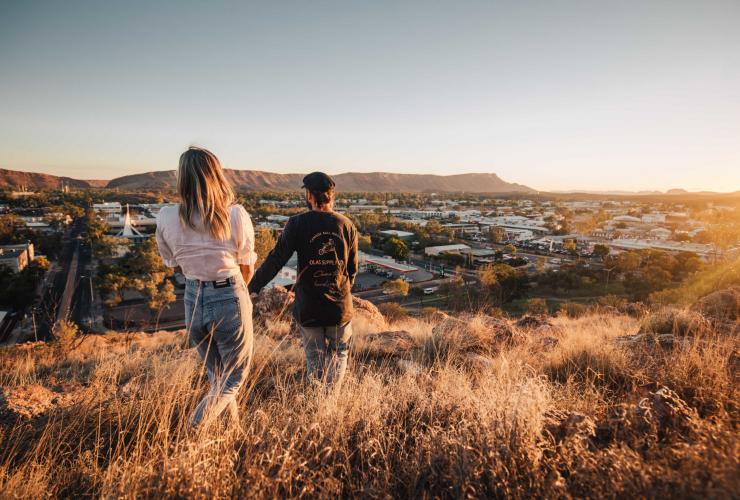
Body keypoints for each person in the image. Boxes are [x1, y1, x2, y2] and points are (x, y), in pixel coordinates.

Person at [155, 147, 256, 429]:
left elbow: (171, 263)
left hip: (192, 297)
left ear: (181, 179)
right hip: (228, 294)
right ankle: (193, 428)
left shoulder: (166, 216)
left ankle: (232, 433)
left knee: (218, 376)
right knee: (234, 377)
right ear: (216, 175)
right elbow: (247, 266)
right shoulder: (235, 215)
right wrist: (233, 294)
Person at [249, 172, 358, 389]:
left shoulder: (297, 223)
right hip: (339, 307)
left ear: (309, 195)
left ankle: (319, 399)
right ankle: (331, 399)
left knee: (315, 357)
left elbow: (276, 260)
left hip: (309, 307)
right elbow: (352, 269)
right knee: (340, 353)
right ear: (331, 196)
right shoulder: (346, 225)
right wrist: (341, 291)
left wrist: (251, 286)